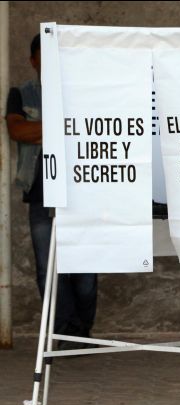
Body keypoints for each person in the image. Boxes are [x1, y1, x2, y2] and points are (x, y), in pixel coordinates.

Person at [5, 34, 98, 348]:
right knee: (49, 268)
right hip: (40, 192)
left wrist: (43, 130)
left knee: (85, 269)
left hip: (83, 189)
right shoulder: (20, 93)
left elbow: (92, 130)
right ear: (33, 61)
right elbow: (18, 130)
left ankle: (80, 333)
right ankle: (65, 333)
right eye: (43, 58)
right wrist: (65, 125)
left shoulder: (82, 93)